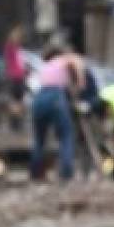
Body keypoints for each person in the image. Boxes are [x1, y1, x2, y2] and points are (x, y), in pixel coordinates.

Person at [29, 45, 87, 182]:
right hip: (55, 96)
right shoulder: (64, 59)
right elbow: (76, 61)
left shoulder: (45, 66)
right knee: (66, 135)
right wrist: (80, 83)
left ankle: (35, 173)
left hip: (39, 97)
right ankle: (66, 173)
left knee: (39, 139)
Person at [2, 24, 28, 130]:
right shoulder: (10, 47)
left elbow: (21, 62)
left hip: (19, 76)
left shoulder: (18, 49)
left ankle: (17, 122)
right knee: (15, 100)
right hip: (14, 76)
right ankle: (15, 123)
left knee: (19, 100)